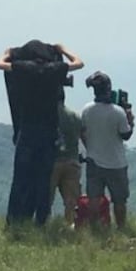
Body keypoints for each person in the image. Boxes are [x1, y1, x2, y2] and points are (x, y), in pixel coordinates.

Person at [0, 40, 85, 226]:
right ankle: (41, 220)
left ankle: (15, 220)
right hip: (49, 131)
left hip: (27, 130)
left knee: (21, 177)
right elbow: (79, 62)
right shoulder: (54, 69)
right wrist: (63, 49)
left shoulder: (24, 68)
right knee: (44, 179)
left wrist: (7, 52)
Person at [80, 71, 135, 228]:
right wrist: (131, 120)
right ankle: (121, 227)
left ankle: (95, 228)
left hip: (94, 160)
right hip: (116, 163)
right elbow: (126, 135)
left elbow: (82, 132)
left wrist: (89, 148)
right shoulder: (118, 112)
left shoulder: (87, 109)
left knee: (94, 198)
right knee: (119, 200)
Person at [49, 89, 83, 226]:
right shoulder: (74, 116)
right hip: (72, 161)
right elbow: (82, 135)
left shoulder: (47, 115)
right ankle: (71, 226)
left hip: (52, 161)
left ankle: (46, 225)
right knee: (72, 201)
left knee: (46, 199)